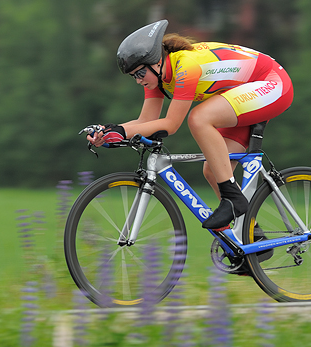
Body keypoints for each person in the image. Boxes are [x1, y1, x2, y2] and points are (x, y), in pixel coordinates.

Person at [87, 19, 293, 229]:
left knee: (199, 117)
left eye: (140, 73)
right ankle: (250, 237)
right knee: (213, 169)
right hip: (241, 93)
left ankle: (233, 199)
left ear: (157, 62)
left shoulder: (185, 66)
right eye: (134, 77)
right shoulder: (156, 77)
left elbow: (171, 124)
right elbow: (146, 122)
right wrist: (108, 132)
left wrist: (123, 131)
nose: (139, 80)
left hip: (273, 83)